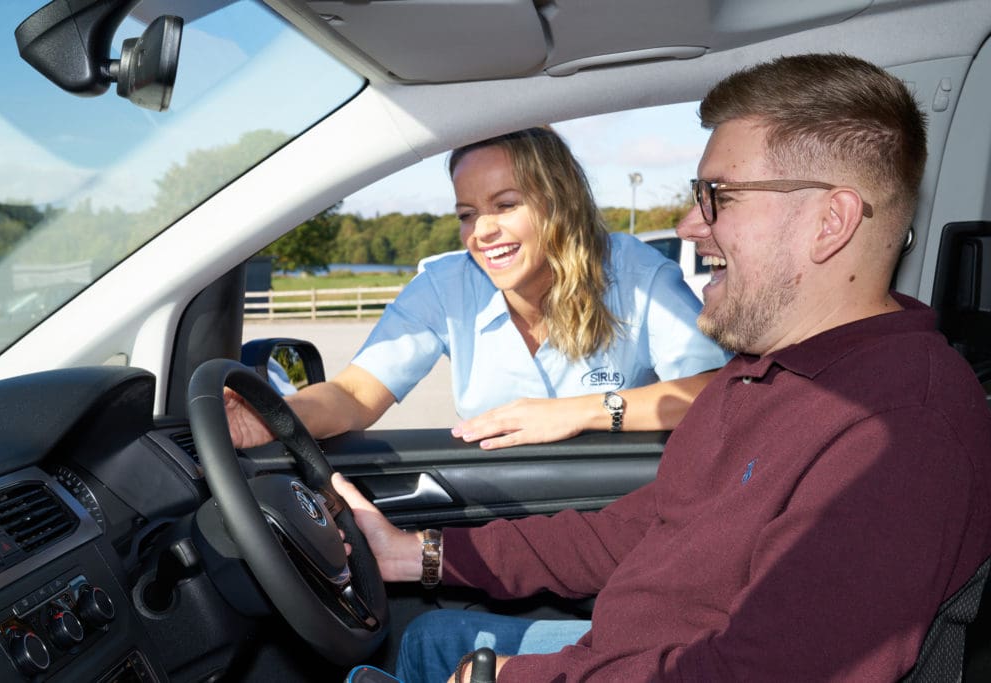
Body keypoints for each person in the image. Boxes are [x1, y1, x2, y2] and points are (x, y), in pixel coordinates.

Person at [331, 52, 991, 681]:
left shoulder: (899, 431)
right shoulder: (761, 373)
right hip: (624, 651)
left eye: (718, 197)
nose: (687, 226)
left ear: (830, 222)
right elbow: (642, 529)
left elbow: (759, 673)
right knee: (425, 638)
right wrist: (419, 554)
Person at [228, 126, 728, 450]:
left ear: (560, 203)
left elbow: (715, 394)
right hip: (499, 514)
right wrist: (270, 417)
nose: (481, 232)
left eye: (505, 205)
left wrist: (575, 414)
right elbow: (355, 394)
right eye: (467, 214)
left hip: (618, 512)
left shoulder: (634, 274)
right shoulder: (445, 286)